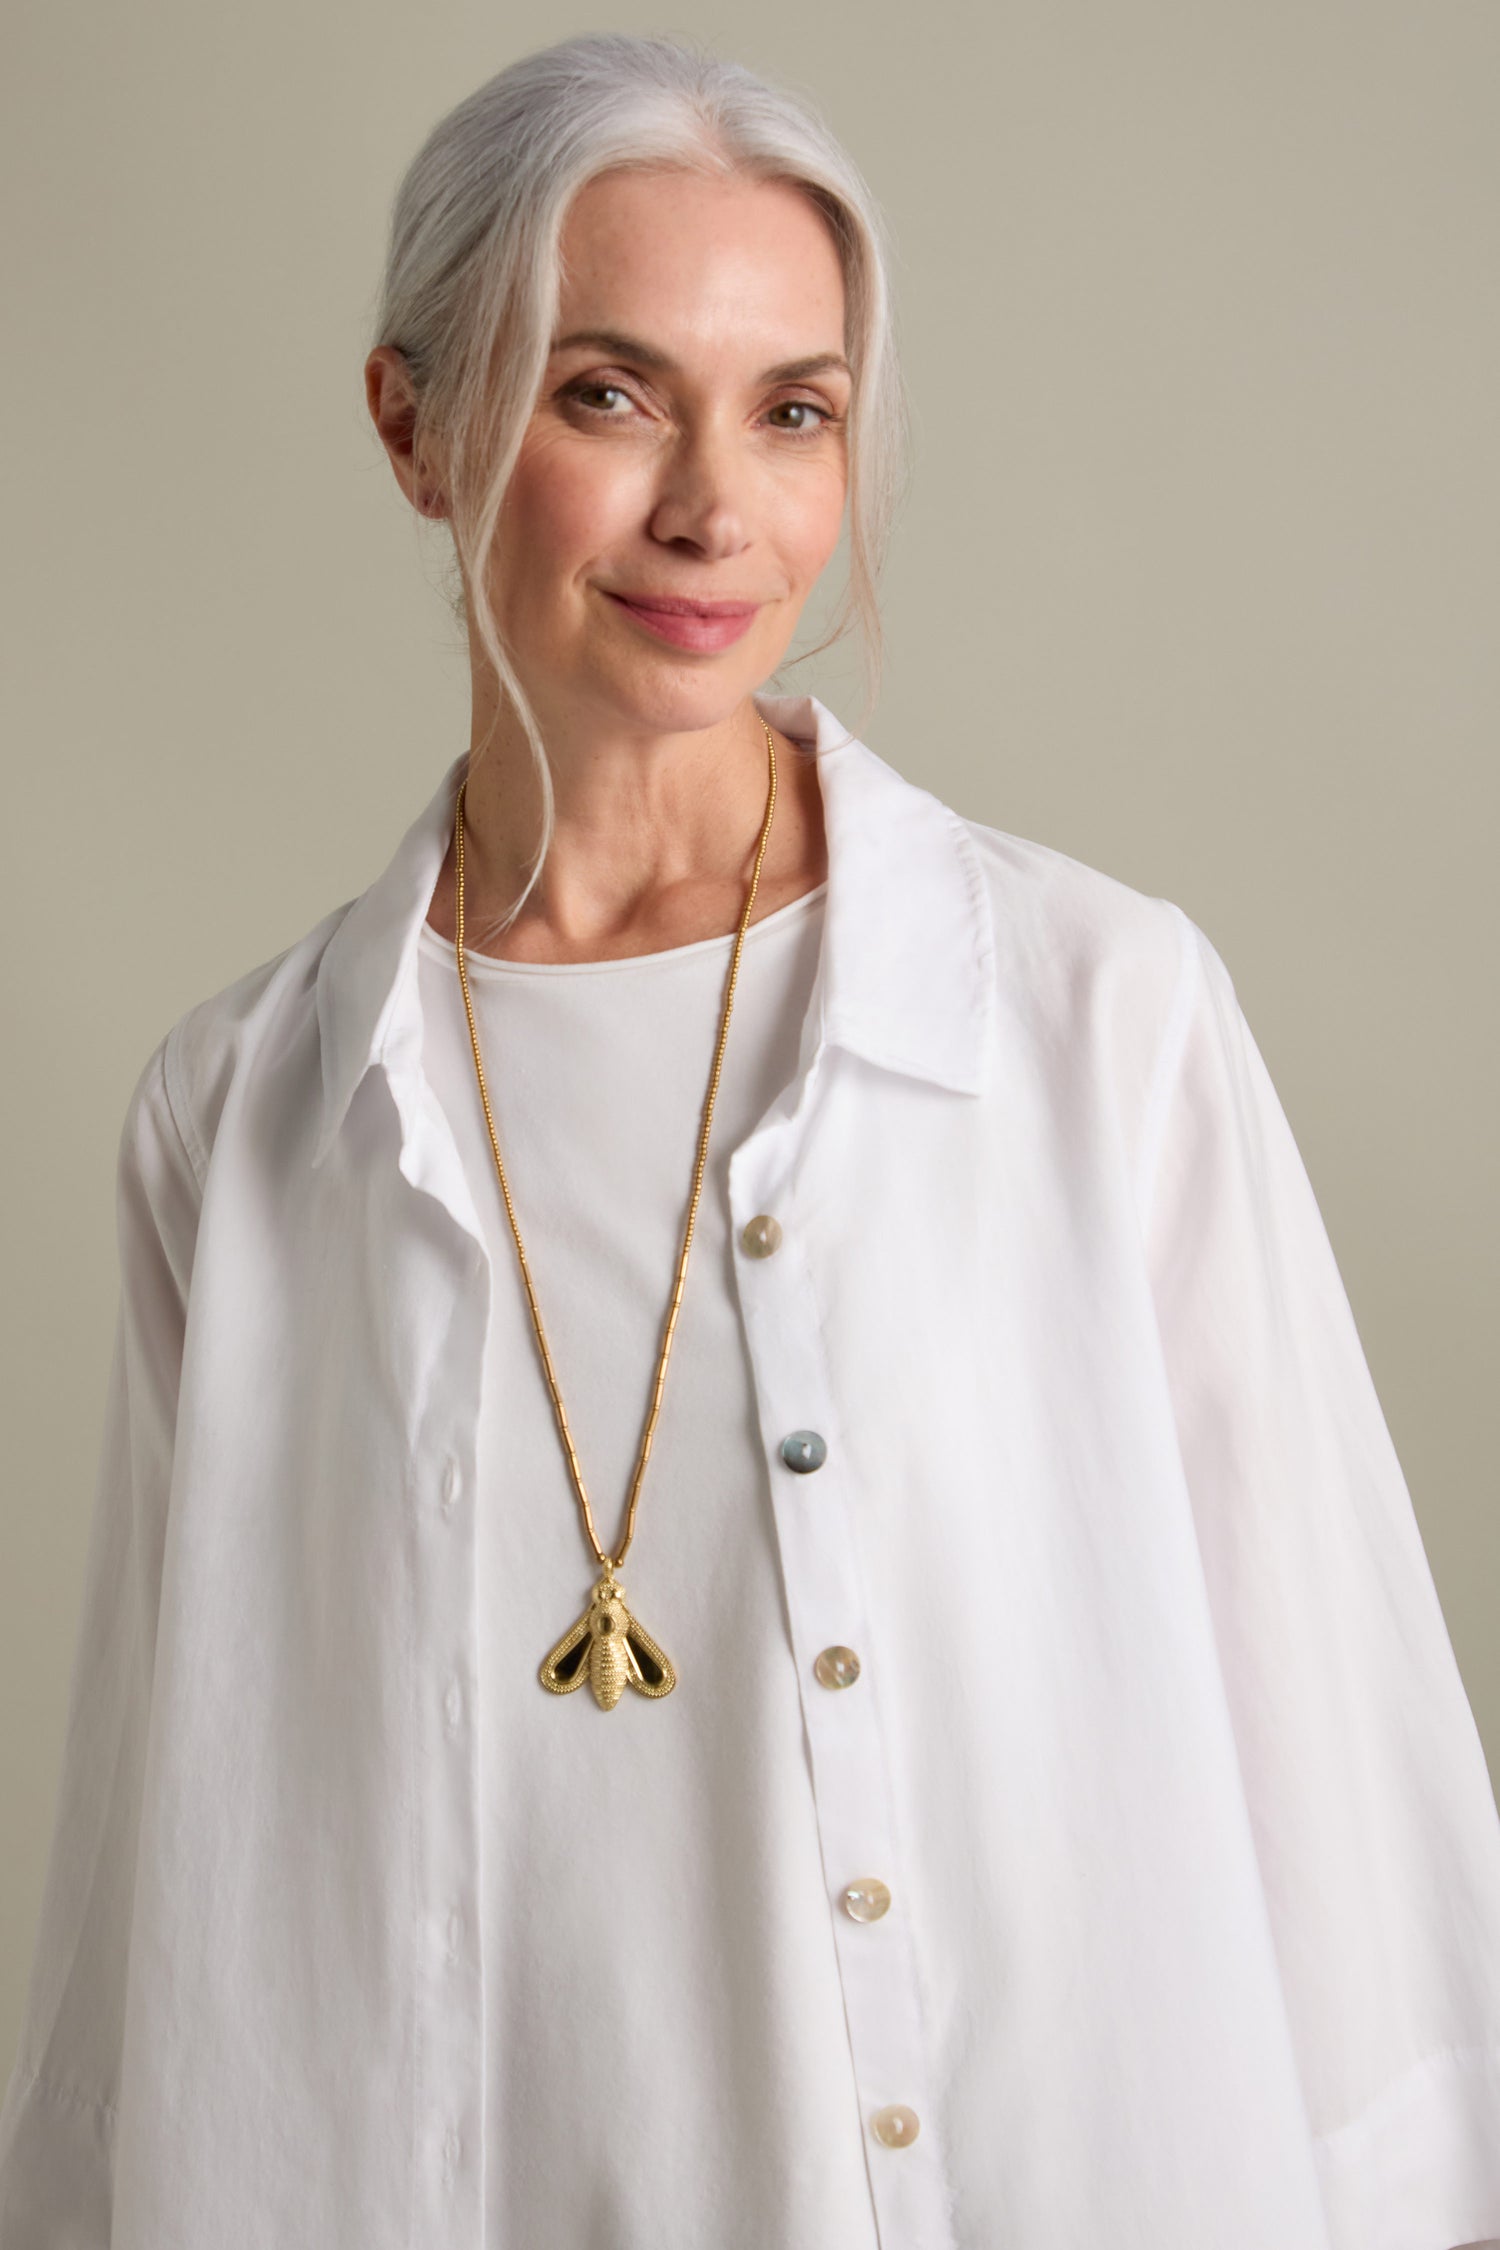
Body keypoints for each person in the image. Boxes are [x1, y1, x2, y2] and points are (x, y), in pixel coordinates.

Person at [2, 29, 1498, 2250]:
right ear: (417, 429)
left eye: (793, 411)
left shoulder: (1097, 1019)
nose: (720, 510)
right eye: (610, 395)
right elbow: (183, 1887)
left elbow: (1341, 1804)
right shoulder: (239, 1126)